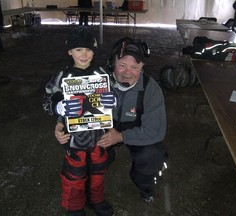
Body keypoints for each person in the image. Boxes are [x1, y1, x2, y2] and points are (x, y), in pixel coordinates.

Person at [56, 37, 168, 204]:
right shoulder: (97, 79)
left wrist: (121, 137)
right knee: (85, 152)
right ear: (112, 63)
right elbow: (76, 102)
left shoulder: (151, 89)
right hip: (104, 128)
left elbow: (156, 131)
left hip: (135, 128)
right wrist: (60, 122)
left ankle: (145, 186)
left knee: (153, 156)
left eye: (135, 67)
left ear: (142, 67)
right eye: (122, 65)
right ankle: (87, 190)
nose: (127, 72)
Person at [42, 26, 115, 216]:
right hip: (73, 138)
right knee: (74, 173)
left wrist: (114, 100)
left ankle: (96, 200)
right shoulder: (62, 77)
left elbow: (116, 96)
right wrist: (58, 107)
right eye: (78, 50)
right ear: (70, 51)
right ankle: (74, 207)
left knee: (99, 170)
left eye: (89, 49)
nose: (84, 54)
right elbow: (47, 99)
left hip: (100, 136)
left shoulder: (102, 74)